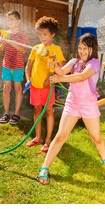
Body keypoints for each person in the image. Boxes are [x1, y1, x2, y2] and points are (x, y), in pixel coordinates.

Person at [37, 33, 105, 185]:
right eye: (79, 48)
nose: (82, 51)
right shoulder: (74, 61)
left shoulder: (94, 63)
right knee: (61, 136)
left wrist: (61, 78)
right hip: (73, 102)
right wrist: (53, 64)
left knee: (96, 137)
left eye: (85, 48)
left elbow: (81, 77)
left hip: (88, 104)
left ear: (92, 48)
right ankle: (45, 167)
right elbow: (60, 72)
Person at [25, 16, 65, 153]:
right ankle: (38, 137)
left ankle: (48, 140)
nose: (42, 37)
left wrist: (51, 75)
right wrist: (28, 80)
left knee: (48, 111)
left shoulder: (56, 49)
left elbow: (62, 69)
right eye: (40, 34)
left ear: (52, 34)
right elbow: (28, 67)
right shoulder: (35, 48)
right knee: (36, 110)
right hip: (35, 86)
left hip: (48, 87)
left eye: (45, 34)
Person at [0, 10, 30, 125]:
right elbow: (0, 50)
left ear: (18, 21)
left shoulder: (23, 36)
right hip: (6, 65)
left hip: (18, 66)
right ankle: (6, 113)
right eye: (8, 20)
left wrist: (10, 42)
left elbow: (24, 50)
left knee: (17, 89)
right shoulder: (5, 33)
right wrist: (3, 42)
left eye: (12, 19)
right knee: (6, 88)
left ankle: (16, 114)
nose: (10, 22)